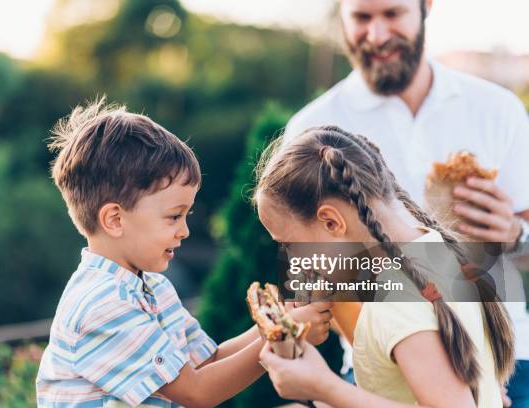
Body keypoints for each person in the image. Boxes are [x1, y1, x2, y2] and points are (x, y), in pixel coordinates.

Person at [284, 0, 529, 403]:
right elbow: (310, 266)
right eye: (362, 18)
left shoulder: (498, 109)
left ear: (426, 7)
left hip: (505, 357)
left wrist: (515, 234)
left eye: (392, 14)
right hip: (380, 363)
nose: (377, 35)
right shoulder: (312, 128)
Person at [35, 98, 333, 407]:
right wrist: (285, 334)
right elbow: (196, 392)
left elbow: (206, 361)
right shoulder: (103, 304)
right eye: (174, 216)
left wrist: (279, 320)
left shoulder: (153, 287)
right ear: (115, 219)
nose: (185, 231)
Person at [255, 126, 515, 407]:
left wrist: (324, 387)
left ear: (332, 222)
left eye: (290, 245)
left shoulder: (397, 299)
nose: (293, 262)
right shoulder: (435, 251)